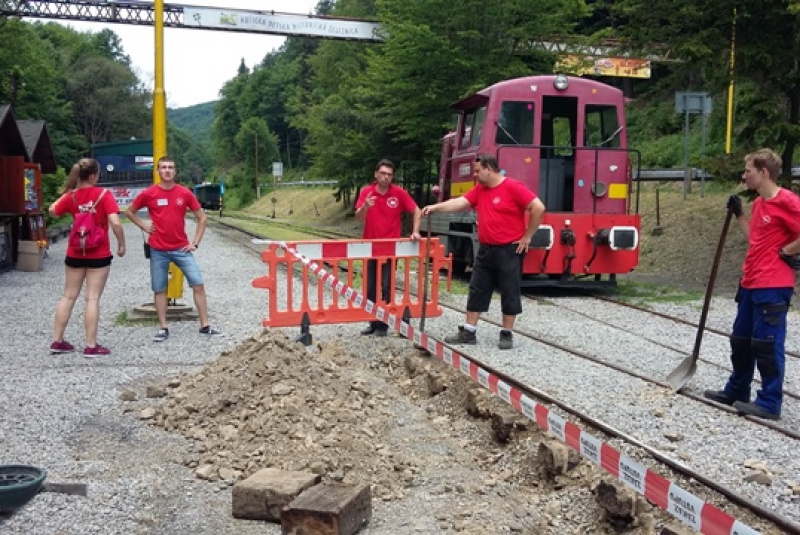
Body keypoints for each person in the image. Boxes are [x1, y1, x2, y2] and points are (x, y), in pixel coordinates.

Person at [704, 148, 800, 420]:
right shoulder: (760, 204)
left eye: (748, 171)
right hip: (751, 282)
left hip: (773, 283)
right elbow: (756, 238)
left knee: (767, 344)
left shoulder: (788, 202)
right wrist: (739, 215)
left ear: (764, 173)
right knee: (741, 340)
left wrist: (788, 251)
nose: (744, 176)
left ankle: (770, 402)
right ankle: (737, 389)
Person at [422, 154, 545, 350]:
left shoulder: (513, 187)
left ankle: (507, 333)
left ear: (489, 169)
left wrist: (527, 236)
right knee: (477, 287)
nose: (475, 174)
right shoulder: (480, 190)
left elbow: (538, 207)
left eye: (478, 171)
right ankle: (469, 331)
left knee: (509, 289)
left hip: (509, 249)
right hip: (486, 248)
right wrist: (435, 208)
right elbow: (460, 202)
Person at [126, 156, 223, 342]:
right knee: (159, 288)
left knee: (198, 283)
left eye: (171, 167)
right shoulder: (149, 193)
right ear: (158, 171)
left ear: (175, 171)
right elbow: (130, 211)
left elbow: (202, 218)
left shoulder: (184, 193)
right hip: (158, 249)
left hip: (181, 248)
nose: (167, 171)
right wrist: (144, 226)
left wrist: (195, 243)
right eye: (163, 167)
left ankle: (205, 325)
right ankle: (163, 327)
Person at [49, 158, 126, 357]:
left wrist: (69, 191)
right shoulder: (104, 194)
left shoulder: (71, 196)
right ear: (93, 176)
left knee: (68, 295)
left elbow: (52, 211)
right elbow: (116, 223)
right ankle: (91, 345)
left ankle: (57, 340)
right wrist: (121, 243)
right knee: (92, 298)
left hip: (75, 252)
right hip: (98, 253)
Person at [355, 159, 422, 336]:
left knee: (386, 286)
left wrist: (415, 231)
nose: (386, 177)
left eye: (389, 175)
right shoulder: (366, 192)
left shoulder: (399, 193)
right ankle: (373, 322)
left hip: (391, 250)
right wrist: (365, 207)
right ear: (376, 174)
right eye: (383, 173)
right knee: (370, 287)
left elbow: (416, 210)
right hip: (370, 248)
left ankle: (383, 324)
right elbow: (359, 218)